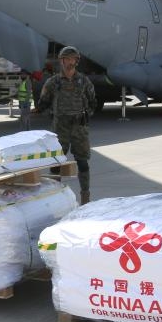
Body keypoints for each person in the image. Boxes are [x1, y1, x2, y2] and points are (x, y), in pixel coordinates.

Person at [34, 46, 98, 204]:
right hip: (60, 128)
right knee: (56, 163)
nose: (71, 62)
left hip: (79, 128)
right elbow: (43, 104)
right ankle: (55, 197)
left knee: (82, 162)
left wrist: (84, 115)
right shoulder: (53, 82)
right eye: (67, 59)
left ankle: (85, 198)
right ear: (62, 61)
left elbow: (93, 102)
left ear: (77, 61)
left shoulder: (83, 81)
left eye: (73, 59)